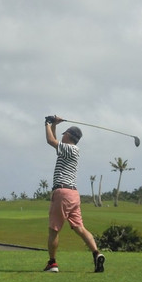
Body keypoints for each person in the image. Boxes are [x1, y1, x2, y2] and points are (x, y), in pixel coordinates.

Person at [43, 115, 105, 273]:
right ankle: (97, 254)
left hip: (62, 192)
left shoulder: (69, 148)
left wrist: (47, 124)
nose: (62, 136)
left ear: (68, 136)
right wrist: (55, 125)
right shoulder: (71, 150)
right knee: (80, 228)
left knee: (54, 229)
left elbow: (51, 141)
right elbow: (56, 140)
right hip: (73, 194)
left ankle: (52, 263)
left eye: (64, 134)